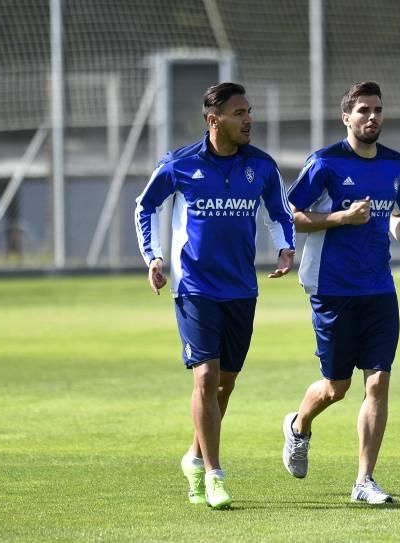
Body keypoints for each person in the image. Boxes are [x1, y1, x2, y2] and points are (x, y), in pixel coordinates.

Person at [135, 82, 295, 510]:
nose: (248, 120)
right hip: (194, 286)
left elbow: (279, 210)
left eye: (249, 111)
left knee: (225, 383)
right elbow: (145, 206)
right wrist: (153, 256)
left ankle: (192, 457)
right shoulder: (180, 164)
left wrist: (285, 246)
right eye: (239, 112)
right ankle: (214, 474)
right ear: (214, 120)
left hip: (242, 288)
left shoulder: (260, 166)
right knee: (205, 377)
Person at [282, 81, 400, 504]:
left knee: (378, 382)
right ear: (346, 117)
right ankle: (298, 426)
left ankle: (364, 481)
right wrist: (343, 217)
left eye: (377, 109)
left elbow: (396, 213)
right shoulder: (325, 163)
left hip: (380, 288)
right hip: (333, 289)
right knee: (335, 388)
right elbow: (293, 215)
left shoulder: (397, 165)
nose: (372, 117)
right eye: (362, 110)